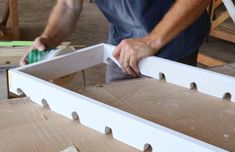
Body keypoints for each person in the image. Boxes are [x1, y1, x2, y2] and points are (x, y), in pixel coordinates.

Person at [20, 0, 211, 82]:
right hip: (122, 44)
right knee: (115, 116)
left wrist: (151, 42)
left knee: (168, 120)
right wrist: (49, 39)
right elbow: (68, 6)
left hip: (173, 42)